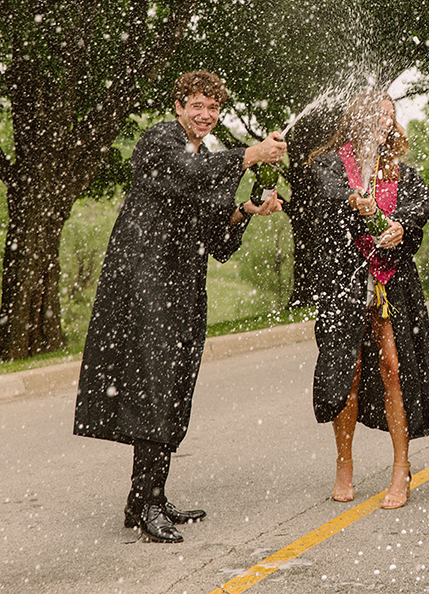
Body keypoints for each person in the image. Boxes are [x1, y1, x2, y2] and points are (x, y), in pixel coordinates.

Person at [74, 70, 286, 544]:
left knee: (174, 385)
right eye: (197, 106)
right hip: (144, 281)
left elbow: (217, 236)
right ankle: (148, 504)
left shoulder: (210, 157)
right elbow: (185, 174)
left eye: (213, 108)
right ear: (178, 106)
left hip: (184, 285)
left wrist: (247, 211)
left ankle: (145, 495)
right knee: (154, 384)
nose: (205, 115)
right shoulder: (159, 141)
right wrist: (250, 153)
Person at [309, 91, 429, 510]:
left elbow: (421, 206)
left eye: (388, 116)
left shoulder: (403, 172)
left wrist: (401, 227)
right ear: (356, 119)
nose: (382, 122)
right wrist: (352, 201)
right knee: (347, 372)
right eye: (374, 115)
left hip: (393, 283)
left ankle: (400, 467)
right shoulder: (332, 165)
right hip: (346, 282)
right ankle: (344, 464)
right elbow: (328, 196)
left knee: (394, 367)